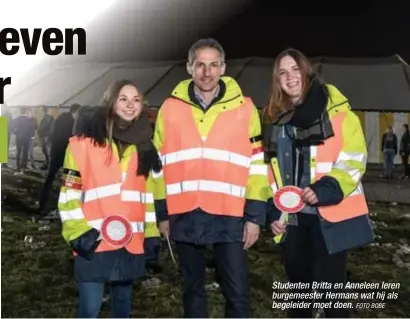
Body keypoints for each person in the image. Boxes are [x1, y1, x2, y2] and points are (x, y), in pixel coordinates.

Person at [153, 38, 267, 318]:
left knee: (237, 292)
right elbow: (157, 167)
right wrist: (162, 213)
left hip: (230, 213)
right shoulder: (168, 109)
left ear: (223, 68)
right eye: (201, 65)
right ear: (189, 68)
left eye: (214, 65)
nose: (207, 72)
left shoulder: (245, 108)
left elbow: (257, 165)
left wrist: (254, 216)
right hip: (184, 212)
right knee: (192, 290)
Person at [262, 48, 374, 318]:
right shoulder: (276, 119)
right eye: (282, 73)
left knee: (333, 297)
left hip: (329, 216)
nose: (290, 77)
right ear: (277, 81)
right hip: (294, 220)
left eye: (295, 69)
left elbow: (354, 158)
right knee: (299, 297)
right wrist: (273, 210)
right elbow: (269, 171)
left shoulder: (337, 111)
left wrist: (326, 188)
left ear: (306, 71)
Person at [57, 80, 162, 318]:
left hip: (130, 243)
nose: (130, 105)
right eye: (123, 99)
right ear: (111, 101)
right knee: (90, 309)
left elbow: (145, 196)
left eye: (136, 100)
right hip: (93, 242)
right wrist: (78, 234)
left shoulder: (145, 147)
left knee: (123, 307)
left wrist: (151, 233)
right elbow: (68, 195)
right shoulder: (83, 144)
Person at [37, 104, 81, 216]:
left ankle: (42, 204)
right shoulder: (71, 122)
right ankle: (68, 208)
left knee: (49, 178)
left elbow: (53, 135)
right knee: (70, 182)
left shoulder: (59, 119)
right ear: (75, 111)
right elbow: (70, 139)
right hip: (65, 155)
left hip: (55, 153)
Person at [11, 107, 36, 174]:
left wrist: (16, 133)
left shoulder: (17, 119)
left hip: (19, 138)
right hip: (26, 138)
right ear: (25, 112)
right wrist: (30, 135)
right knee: (25, 152)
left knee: (18, 152)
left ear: (20, 111)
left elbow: (12, 127)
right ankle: (24, 166)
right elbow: (32, 128)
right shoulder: (29, 120)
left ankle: (18, 166)